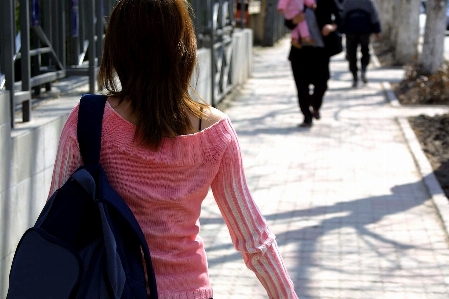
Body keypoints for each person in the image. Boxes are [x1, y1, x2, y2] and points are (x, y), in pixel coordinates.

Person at [48, 0, 299, 298]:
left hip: (107, 287)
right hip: (189, 290)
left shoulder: (89, 119)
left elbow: (57, 218)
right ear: (184, 47)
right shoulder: (215, 132)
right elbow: (253, 238)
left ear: (117, 47)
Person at [285, 0, 344, 127]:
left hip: (320, 51)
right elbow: (287, 21)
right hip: (299, 52)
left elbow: (341, 14)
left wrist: (332, 26)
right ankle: (307, 117)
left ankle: (315, 105)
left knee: (322, 83)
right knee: (302, 86)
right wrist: (294, 21)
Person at [341, 0, 381, 87]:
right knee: (365, 52)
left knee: (351, 54)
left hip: (350, 31)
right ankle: (363, 70)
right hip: (365, 31)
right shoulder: (368, 2)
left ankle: (355, 76)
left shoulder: (347, 2)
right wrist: (377, 31)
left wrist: (340, 29)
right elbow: (374, 16)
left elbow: (341, 15)